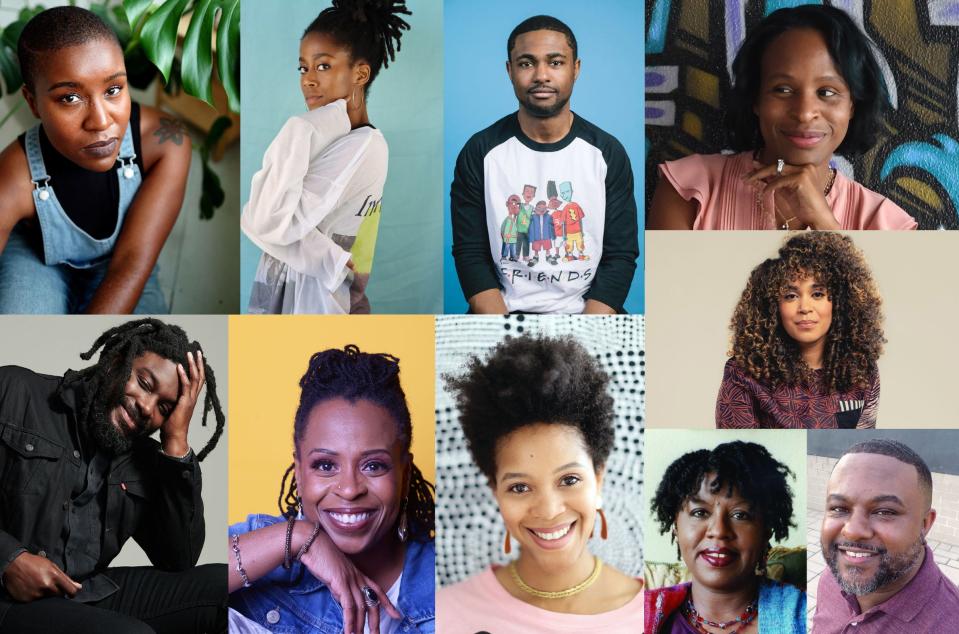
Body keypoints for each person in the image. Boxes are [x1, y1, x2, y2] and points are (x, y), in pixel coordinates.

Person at [0, 318, 227, 633]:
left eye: (164, 407)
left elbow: (178, 559)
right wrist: (8, 559)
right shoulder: (15, 391)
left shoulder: (143, 457)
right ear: (116, 361)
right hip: (8, 599)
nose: (147, 408)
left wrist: (176, 444)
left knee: (225, 588)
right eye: (145, 384)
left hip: (81, 594)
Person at [438, 335, 643, 632]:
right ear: (496, 492)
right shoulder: (446, 613)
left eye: (569, 479)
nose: (548, 511)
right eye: (519, 487)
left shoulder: (654, 616)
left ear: (598, 480)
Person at [647, 5, 917, 230]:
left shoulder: (888, 225)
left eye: (826, 92)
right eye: (783, 89)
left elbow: (880, 296)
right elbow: (668, 294)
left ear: (853, 106)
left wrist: (827, 225)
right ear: (756, 99)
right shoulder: (689, 190)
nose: (804, 112)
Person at [228, 346, 435, 634]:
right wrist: (300, 538)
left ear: (405, 472)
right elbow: (164, 590)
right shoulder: (262, 543)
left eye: (373, 465)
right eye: (325, 465)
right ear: (299, 473)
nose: (349, 489)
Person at [0, 6, 192, 314]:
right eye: (70, 98)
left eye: (113, 89)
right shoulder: (13, 175)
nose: (101, 121)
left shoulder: (167, 143)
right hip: (35, 260)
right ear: (33, 102)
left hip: (123, 259)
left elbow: (130, 264)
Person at [450, 15, 638, 314]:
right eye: (526, 63)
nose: (541, 75)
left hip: (589, 318)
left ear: (576, 69)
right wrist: (505, 334)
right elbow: (470, 253)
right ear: (509, 71)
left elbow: (621, 255)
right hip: (502, 316)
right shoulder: (481, 151)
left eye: (555, 62)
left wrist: (586, 335)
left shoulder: (606, 152)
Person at [242, 0, 411, 314]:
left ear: (360, 73)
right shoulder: (333, 137)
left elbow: (263, 220)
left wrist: (300, 128)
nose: (308, 79)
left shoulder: (363, 145)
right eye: (303, 67)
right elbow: (264, 220)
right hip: (293, 295)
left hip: (315, 305)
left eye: (323, 65)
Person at [716, 232, 883, 429]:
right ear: (773, 306)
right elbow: (741, 454)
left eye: (818, 294)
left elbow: (862, 439)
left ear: (840, 302)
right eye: (791, 295)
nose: (805, 307)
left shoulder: (862, 371)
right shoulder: (744, 374)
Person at [646, 441, 805, 633]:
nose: (719, 531)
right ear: (675, 527)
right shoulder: (642, 611)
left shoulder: (801, 615)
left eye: (740, 515)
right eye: (700, 512)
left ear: (766, 531)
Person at [813, 439, 959, 632]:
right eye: (839, 508)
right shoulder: (831, 577)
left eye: (885, 512)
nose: (853, 531)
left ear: (925, 524)